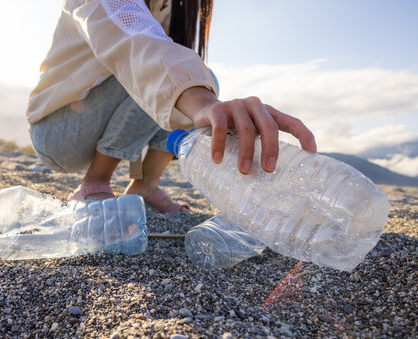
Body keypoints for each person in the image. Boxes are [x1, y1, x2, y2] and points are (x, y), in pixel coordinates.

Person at [27, 0, 317, 213]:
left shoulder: (170, 7)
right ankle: (95, 182)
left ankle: (144, 184)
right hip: (59, 130)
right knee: (183, 77)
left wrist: (203, 100)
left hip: (93, 123)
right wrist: (202, 102)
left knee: (191, 76)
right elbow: (135, 45)